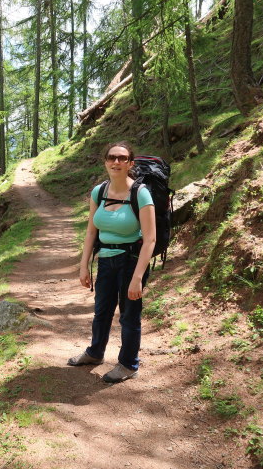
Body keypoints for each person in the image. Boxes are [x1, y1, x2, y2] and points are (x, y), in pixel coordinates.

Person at [68, 141, 156, 383]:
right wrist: (83, 265)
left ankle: (128, 364)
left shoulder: (141, 193)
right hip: (106, 260)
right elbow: (90, 232)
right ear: (105, 161)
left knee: (129, 314)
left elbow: (150, 239)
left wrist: (138, 277)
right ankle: (95, 353)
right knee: (102, 311)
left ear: (130, 163)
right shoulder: (100, 191)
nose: (116, 162)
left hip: (131, 261)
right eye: (111, 157)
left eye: (122, 158)